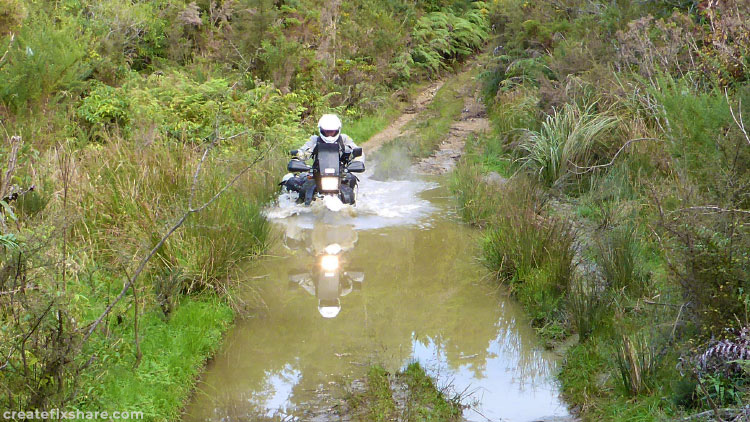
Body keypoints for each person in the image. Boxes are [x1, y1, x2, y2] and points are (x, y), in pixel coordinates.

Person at [283, 114, 363, 198]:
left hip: (340, 174)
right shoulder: (314, 140)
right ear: (321, 130)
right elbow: (305, 151)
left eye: (332, 131)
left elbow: (356, 152)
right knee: (296, 184)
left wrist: (356, 162)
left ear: (337, 130)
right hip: (316, 174)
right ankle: (297, 205)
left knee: (351, 180)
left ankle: (352, 205)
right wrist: (298, 155)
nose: (329, 134)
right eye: (326, 131)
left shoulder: (344, 139)